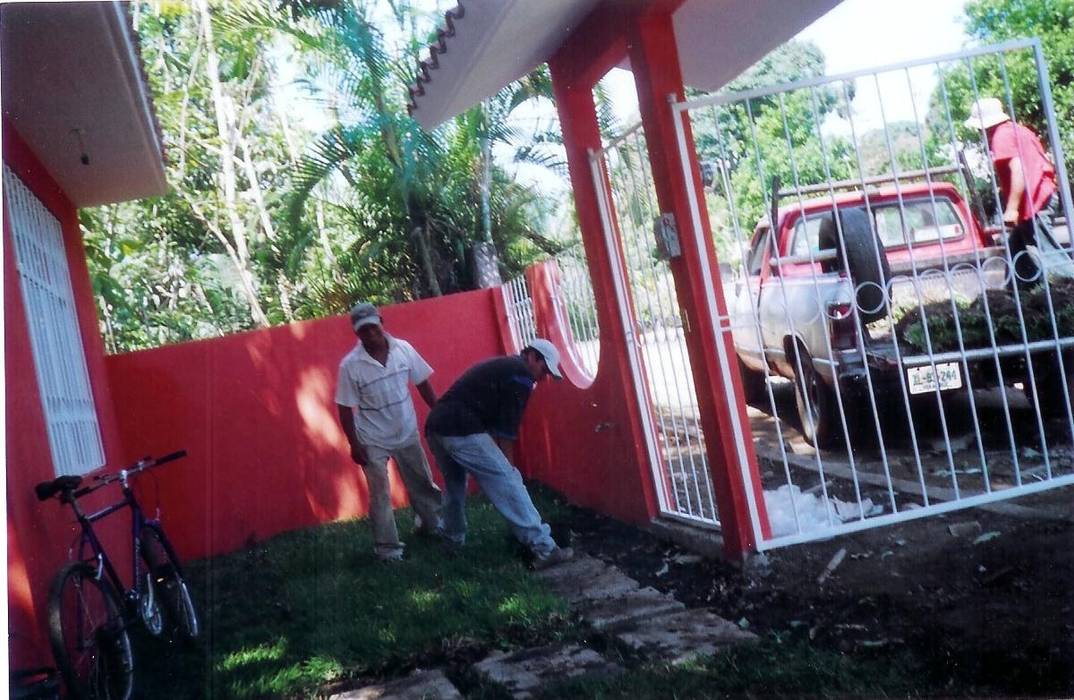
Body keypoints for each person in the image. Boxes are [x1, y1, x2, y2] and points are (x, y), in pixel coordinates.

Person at [424, 339, 573, 569]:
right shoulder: (522, 374)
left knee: (454, 486)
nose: (542, 378)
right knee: (508, 482)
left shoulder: (505, 367)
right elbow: (507, 431)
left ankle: (452, 541)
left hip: (437, 427)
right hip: (461, 428)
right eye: (544, 370)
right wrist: (510, 469)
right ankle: (545, 547)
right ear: (532, 356)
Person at [336, 302, 443, 562]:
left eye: (373, 328)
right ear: (357, 334)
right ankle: (388, 550)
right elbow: (344, 408)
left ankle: (432, 525)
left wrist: (440, 413)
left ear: (382, 323)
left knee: (421, 482)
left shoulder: (403, 350)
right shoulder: (350, 366)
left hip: (406, 430)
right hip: (372, 439)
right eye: (364, 331)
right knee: (380, 494)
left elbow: (422, 383)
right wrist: (354, 443)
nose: (370, 335)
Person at [965, 97, 1059, 288]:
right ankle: (1018, 301)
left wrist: (1012, 208)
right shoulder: (1018, 131)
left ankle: (1067, 294)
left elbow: (1019, 170)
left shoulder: (1001, 136)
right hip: (1037, 200)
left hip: (1035, 203)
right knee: (1018, 258)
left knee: (1051, 260)